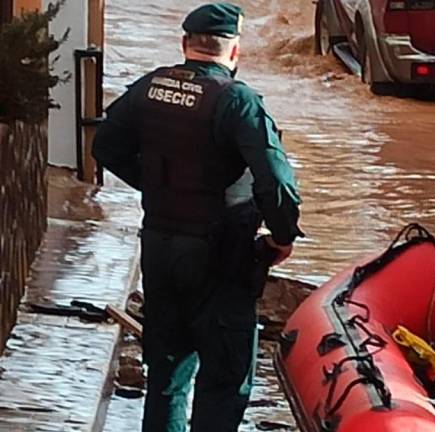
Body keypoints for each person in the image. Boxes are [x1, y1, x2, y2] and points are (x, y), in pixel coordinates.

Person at [92, 3, 303, 431]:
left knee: (167, 376)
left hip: (159, 248)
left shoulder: (150, 87)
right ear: (235, 52)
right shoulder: (237, 101)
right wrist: (282, 237)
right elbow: (276, 180)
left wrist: (156, 186)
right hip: (220, 257)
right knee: (224, 381)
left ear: (186, 44)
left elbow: (106, 146)